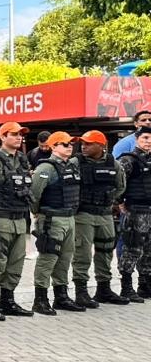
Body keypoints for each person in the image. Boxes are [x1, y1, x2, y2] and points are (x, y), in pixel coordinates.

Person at [0, 122, 36, 320]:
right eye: (13, 134)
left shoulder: (22, 159)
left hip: (19, 219)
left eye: (21, 134)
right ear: (3, 137)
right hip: (0, 219)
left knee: (15, 263)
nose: (19, 137)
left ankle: (8, 301)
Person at [29, 132, 83, 315]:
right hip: (52, 218)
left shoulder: (71, 166)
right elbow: (34, 194)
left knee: (65, 258)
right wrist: (37, 213)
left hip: (69, 217)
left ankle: (61, 296)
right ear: (53, 147)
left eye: (71, 144)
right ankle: (40, 299)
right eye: (64, 144)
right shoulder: (46, 167)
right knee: (48, 258)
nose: (69, 146)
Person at [73, 130, 125, 309]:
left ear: (101, 146)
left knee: (106, 250)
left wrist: (109, 202)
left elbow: (120, 186)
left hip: (105, 214)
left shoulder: (114, 164)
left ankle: (104, 289)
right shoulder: (76, 162)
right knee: (83, 253)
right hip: (83, 214)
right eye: (83, 143)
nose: (83, 146)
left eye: (88, 143)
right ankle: (81, 292)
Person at [116, 125, 151, 302]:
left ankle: (145, 285)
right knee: (132, 248)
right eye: (145, 138)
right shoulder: (128, 160)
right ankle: (126, 286)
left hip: (149, 211)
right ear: (137, 139)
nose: (149, 142)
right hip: (135, 211)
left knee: (149, 251)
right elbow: (118, 183)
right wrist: (120, 203)